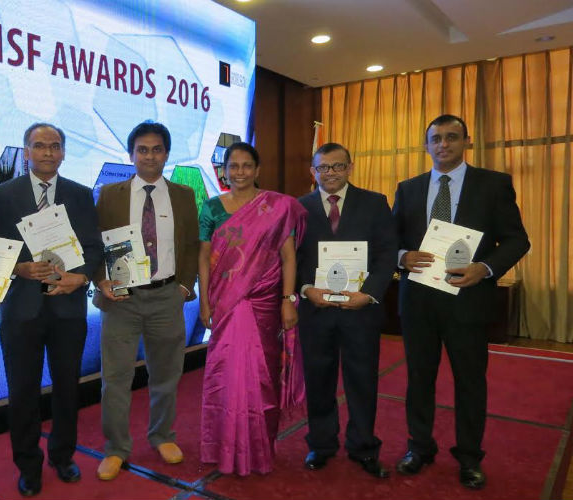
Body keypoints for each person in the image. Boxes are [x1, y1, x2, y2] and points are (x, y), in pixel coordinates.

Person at [392, 114, 530, 489]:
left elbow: (517, 240)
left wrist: (484, 268)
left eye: (452, 137)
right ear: (426, 145)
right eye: (436, 138)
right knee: (419, 380)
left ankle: (469, 457)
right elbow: (391, 240)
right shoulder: (409, 188)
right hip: (419, 302)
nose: (443, 145)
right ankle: (419, 448)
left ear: (466, 141)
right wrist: (402, 257)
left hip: (468, 302)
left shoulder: (494, 184)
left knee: (470, 382)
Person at [0, 123, 104, 496]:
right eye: (39, 146)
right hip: (20, 311)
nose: (48, 153)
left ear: (64, 152)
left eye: (55, 146)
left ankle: (62, 455)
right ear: (26, 151)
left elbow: (94, 249)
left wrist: (81, 277)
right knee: (22, 392)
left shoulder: (81, 195)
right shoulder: (3, 195)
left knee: (68, 389)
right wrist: (18, 268)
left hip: (68, 311)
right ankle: (28, 464)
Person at [92, 121, 199, 480]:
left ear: (166, 154)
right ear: (131, 153)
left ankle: (162, 435)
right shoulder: (111, 194)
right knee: (116, 379)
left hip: (167, 296)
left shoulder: (183, 195)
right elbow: (96, 244)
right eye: (142, 149)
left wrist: (185, 286)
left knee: (166, 374)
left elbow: (190, 245)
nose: (149, 156)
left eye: (156, 149)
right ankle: (116, 448)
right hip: (122, 298)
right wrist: (100, 279)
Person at [198, 142, 307, 476]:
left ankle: (259, 447)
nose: (240, 172)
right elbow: (204, 257)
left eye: (247, 166)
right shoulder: (212, 208)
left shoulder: (276, 207)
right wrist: (204, 301)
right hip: (226, 303)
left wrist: (288, 300)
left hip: (264, 305)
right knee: (225, 375)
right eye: (233, 166)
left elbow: (288, 257)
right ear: (224, 170)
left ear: (257, 170)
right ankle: (223, 446)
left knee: (261, 378)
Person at [296, 142, 397, 478]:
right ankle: (321, 444)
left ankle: (363, 446)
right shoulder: (298, 208)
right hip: (316, 311)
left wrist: (368, 294)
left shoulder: (375, 203)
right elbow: (289, 259)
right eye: (323, 167)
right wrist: (307, 290)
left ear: (351, 167)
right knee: (318, 380)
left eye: (338, 166)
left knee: (362, 380)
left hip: (361, 311)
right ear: (313, 171)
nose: (331, 173)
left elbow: (386, 254)